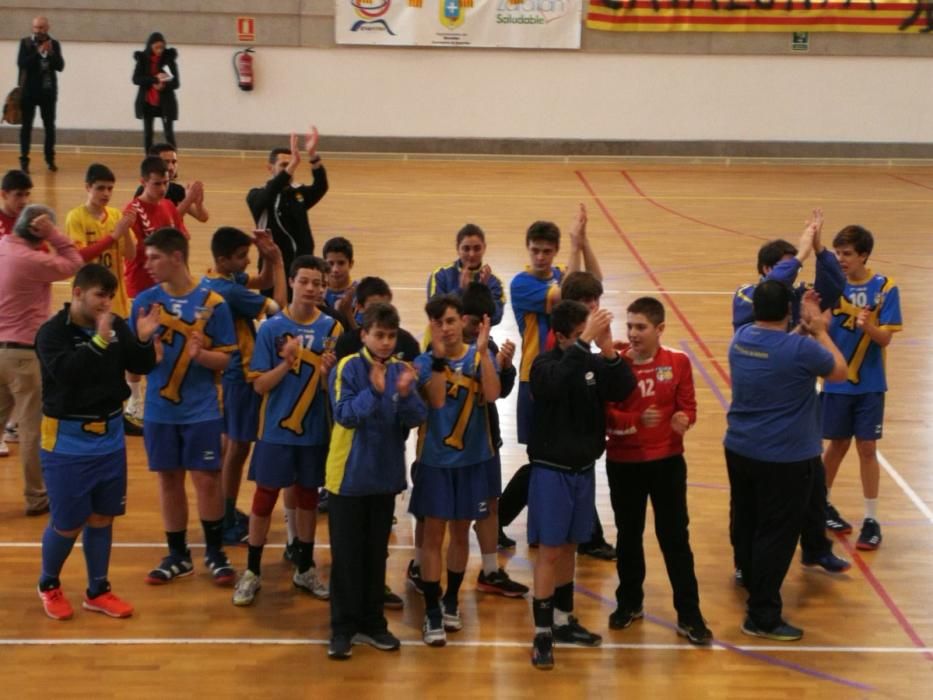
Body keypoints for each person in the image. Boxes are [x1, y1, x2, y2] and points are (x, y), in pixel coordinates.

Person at [730, 210, 849, 585]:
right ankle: (747, 565)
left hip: (796, 409)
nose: (794, 276)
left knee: (813, 480)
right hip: (764, 410)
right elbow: (832, 365)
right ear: (765, 269)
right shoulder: (749, 296)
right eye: (784, 269)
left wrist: (818, 249)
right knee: (754, 507)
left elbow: (835, 285)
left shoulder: (787, 299)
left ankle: (816, 547)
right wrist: (798, 257)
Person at [35, 264, 159, 620]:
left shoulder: (116, 325)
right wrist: (101, 340)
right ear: (77, 293)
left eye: (109, 296)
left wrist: (144, 339)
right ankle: (48, 584)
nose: (106, 304)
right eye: (98, 296)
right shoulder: (51, 333)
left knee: (103, 517)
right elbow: (68, 374)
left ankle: (97, 590)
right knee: (68, 522)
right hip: (66, 440)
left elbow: (140, 365)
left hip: (110, 436)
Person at [725, 281, 847, 642]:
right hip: (785, 458)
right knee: (777, 535)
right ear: (788, 311)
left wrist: (801, 327)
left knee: (745, 519)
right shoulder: (799, 349)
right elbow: (837, 370)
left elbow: (782, 347)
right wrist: (820, 330)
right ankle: (762, 615)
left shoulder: (742, 338)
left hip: (740, 448)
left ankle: (748, 575)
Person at [527, 301, 636, 670]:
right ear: (559, 337)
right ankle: (542, 634)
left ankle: (562, 621)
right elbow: (554, 386)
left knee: (570, 548)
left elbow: (622, 389)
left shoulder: (589, 361)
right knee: (550, 552)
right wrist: (582, 345)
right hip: (551, 470)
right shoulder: (543, 366)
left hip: (583, 470)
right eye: (578, 338)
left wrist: (606, 351)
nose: (584, 344)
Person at [130, 227, 238, 587]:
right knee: (168, 480)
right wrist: (144, 343)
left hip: (202, 410)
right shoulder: (143, 303)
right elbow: (132, 368)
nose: (148, 264)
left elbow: (227, 362)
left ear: (177, 257)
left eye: (154, 257)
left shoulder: (213, 304)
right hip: (160, 412)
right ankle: (177, 555)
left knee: (207, 481)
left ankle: (215, 553)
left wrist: (201, 355)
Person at [232, 255, 340, 606]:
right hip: (275, 433)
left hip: (314, 432)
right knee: (264, 498)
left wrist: (326, 375)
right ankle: (252, 572)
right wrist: (286, 363)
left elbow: (334, 393)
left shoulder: (332, 330)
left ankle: (305, 567)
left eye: (317, 283)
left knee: (308, 498)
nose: (311, 288)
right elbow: (260, 386)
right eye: (304, 281)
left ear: (324, 288)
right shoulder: (271, 328)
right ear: (291, 281)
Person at [605, 297, 712, 645]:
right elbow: (606, 416)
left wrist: (685, 421)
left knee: (675, 539)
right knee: (628, 535)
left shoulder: (678, 363)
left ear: (659, 329)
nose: (633, 333)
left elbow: (688, 407)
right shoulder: (616, 364)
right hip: (624, 463)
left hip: (666, 462)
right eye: (630, 326)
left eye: (641, 327)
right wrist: (635, 420)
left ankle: (690, 614)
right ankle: (630, 602)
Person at [325, 302, 427, 659]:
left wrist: (402, 393)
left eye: (390, 335)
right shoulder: (347, 369)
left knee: (374, 556)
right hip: (348, 478)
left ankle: (373, 624)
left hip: (384, 478)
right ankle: (342, 628)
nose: (385, 342)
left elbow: (417, 416)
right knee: (347, 557)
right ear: (364, 335)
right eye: (378, 335)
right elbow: (345, 415)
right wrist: (374, 391)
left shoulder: (401, 369)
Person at [499, 270, 615, 559]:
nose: (592, 306)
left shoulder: (578, 336)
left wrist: (579, 242)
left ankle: (586, 535)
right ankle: (499, 519)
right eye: (586, 301)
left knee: (563, 466)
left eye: (594, 300)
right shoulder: (561, 341)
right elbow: (556, 380)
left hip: (571, 427)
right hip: (542, 402)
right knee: (546, 465)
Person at [410, 294, 500, 647]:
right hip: (435, 463)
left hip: (472, 462)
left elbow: (492, 394)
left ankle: (451, 600)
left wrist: (481, 351)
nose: (445, 329)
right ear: (431, 326)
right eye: (438, 323)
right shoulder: (423, 361)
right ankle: (432, 610)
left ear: (460, 320)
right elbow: (434, 401)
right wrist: (436, 359)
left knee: (461, 534)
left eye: (449, 321)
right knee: (433, 535)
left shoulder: (479, 357)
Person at [201, 227, 285, 545]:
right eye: (241, 256)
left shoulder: (216, 278)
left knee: (231, 446)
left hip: (228, 375)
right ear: (224, 259)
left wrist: (267, 255)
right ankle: (223, 517)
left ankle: (222, 509)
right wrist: (278, 263)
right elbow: (278, 307)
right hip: (240, 373)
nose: (246, 260)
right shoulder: (231, 293)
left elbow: (260, 282)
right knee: (237, 448)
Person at [821, 225, 902, 550]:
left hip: (869, 384)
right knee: (836, 446)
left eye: (847, 254)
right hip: (837, 381)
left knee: (867, 449)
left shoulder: (885, 288)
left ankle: (871, 519)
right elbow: (820, 327)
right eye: (838, 253)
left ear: (864, 255)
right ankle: (821, 505)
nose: (841, 259)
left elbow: (886, 339)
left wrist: (870, 326)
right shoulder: (831, 287)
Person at [0, 205, 82, 516]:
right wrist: (54, 234)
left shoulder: (3, 248)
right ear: (38, 232)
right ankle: (36, 498)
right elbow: (74, 263)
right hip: (23, 355)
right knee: (32, 431)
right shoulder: (32, 260)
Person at [122, 156, 190, 432]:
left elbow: (182, 239)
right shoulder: (133, 210)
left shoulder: (169, 206)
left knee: (166, 340)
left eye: (166, 182)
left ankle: (162, 392)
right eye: (157, 183)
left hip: (169, 285)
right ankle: (134, 400)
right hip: (141, 284)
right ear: (142, 182)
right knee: (140, 343)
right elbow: (136, 251)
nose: (162, 188)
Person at [247, 129, 328, 297]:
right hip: (272, 269)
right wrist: (293, 164)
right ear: (270, 168)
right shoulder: (256, 196)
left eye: (292, 165)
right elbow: (270, 192)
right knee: (276, 314)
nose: (290, 170)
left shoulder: (297, 194)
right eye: (284, 165)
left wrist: (312, 156)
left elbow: (321, 186)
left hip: (301, 269)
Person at [64, 164, 137, 319]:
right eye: (100, 188)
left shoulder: (116, 216)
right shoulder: (76, 217)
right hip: (89, 303)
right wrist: (113, 237)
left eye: (110, 189)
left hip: (117, 303)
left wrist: (127, 231)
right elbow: (80, 256)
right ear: (88, 187)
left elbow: (130, 256)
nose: (106, 193)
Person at [0, 169, 33, 458]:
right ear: (4, 195)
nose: (23, 201)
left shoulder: (27, 223)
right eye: (18, 195)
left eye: (26, 195)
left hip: (19, 305)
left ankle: (10, 424)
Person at [427, 223, 506, 326]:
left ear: (484, 248)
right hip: (444, 338)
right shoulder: (440, 275)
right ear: (457, 248)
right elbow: (435, 313)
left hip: (477, 339)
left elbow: (496, 318)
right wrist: (461, 291)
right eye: (466, 248)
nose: (471, 254)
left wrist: (482, 292)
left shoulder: (494, 282)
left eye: (477, 248)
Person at [334, 277, 421, 362]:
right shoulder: (346, 344)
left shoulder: (407, 342)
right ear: (360, 307)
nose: (386, 342)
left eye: (385, 305)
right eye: (374, 307)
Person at [18, 16, 64, 173]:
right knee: (26, 127)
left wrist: (51, 54)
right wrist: (38, 53)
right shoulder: (25, 43)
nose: (39, 31)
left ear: (48, 28)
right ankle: (24, 160)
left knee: (49, 127)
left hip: (48, 93)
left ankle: (50, 159)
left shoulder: (54, 44)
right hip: (28, 93)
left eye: (42, 28)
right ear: (32, 28)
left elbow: (60, 66)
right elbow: (22, 64)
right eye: (37, 28)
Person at [134, 143, 209, 223]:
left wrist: (199, 204)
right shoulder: (144, 192)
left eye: (174, 162)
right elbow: (162, 223)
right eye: (166, 162)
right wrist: (188, 200)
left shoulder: (176, 189)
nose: (171, 167)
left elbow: (203, 218)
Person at [133, 32, 179, 154]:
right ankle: (149, 161)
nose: (159, 50)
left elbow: (176, 83)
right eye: (156, 48)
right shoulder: (142, 58)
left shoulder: (169, 59)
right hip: (148, 102)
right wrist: (154, 80)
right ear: (150, 46)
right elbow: (136, 79)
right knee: (148, 134)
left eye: (162, 47)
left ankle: (172, 160)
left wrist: (163, 85)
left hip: (165, 102)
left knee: (168, 133)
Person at [323, 236, 357, 310]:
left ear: (351, 264)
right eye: (330, 263)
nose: (335, 270)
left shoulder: (360, 292)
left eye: (341, 263)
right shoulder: (317, 293)